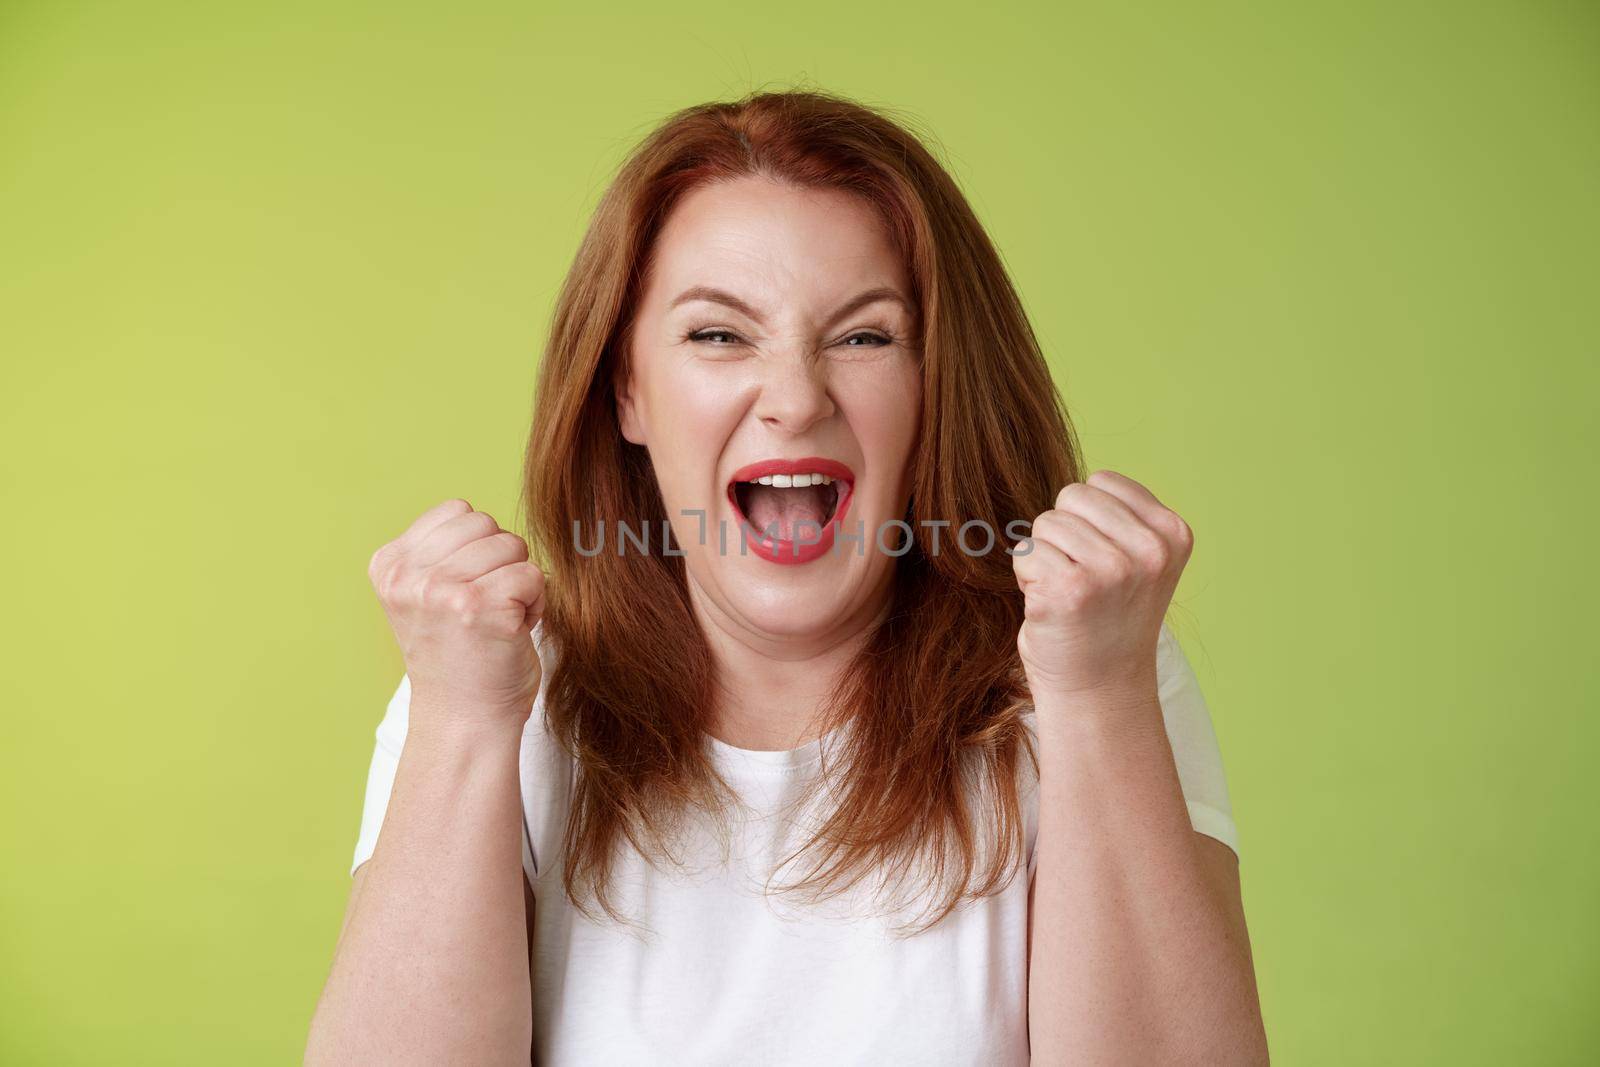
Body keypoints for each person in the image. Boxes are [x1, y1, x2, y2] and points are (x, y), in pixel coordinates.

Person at [305, 87, 1268, 1065]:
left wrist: (1101, 697)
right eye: (718, 334)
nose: (796, 400)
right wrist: (462, 722)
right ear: (626, 388)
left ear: (938, 386)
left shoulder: (1083, 674)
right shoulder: (494, 689)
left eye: (864, 335)